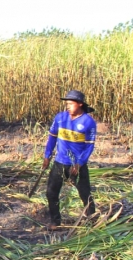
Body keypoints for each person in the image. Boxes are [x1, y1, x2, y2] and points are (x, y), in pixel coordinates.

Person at [42, 90, 97, 230]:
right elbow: (52, 137)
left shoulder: (88, 122)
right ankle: (55, 221)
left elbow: (89, 147)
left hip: (76, 165)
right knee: (51, 192)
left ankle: (92, 220)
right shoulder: (60, 118)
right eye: (67, 104)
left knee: (85, 194)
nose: (67, 106)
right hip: (59, 163)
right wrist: (47, 156)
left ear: (80, 104)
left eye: (71, 104)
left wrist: (79, 163)